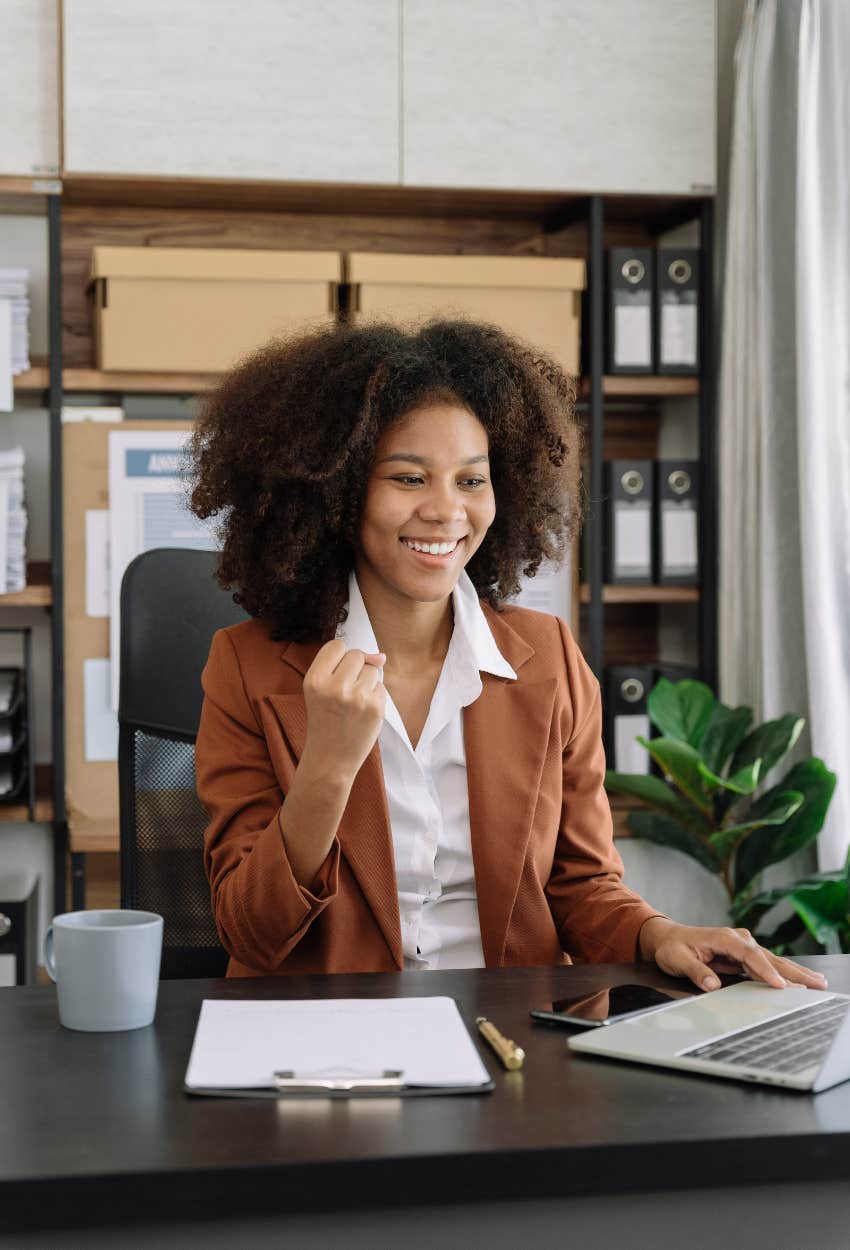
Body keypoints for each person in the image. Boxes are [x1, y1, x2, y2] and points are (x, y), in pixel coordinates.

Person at [191, 318, 826, 995]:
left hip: (512, 1037)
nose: (446, 510)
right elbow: (249, 933)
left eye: (471, 480)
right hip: (335, 1042)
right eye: (408, 478)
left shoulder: (548, 661)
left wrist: (661, 935)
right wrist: (326, 769)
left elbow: (583, 888)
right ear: (337, 495)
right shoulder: (247, 667)